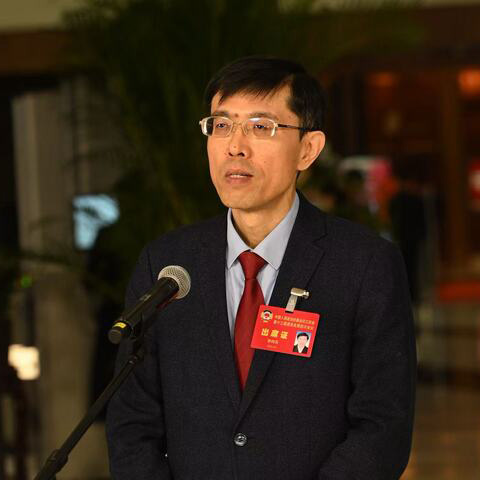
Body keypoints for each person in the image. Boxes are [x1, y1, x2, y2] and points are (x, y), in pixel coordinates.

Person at [106, 56, 416, 480]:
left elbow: (383, 426)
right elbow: (131, 423)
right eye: (221, 125)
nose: (235, 146)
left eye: (260, 126)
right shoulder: (166, 266)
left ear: (308, 149)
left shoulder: (364, 265)